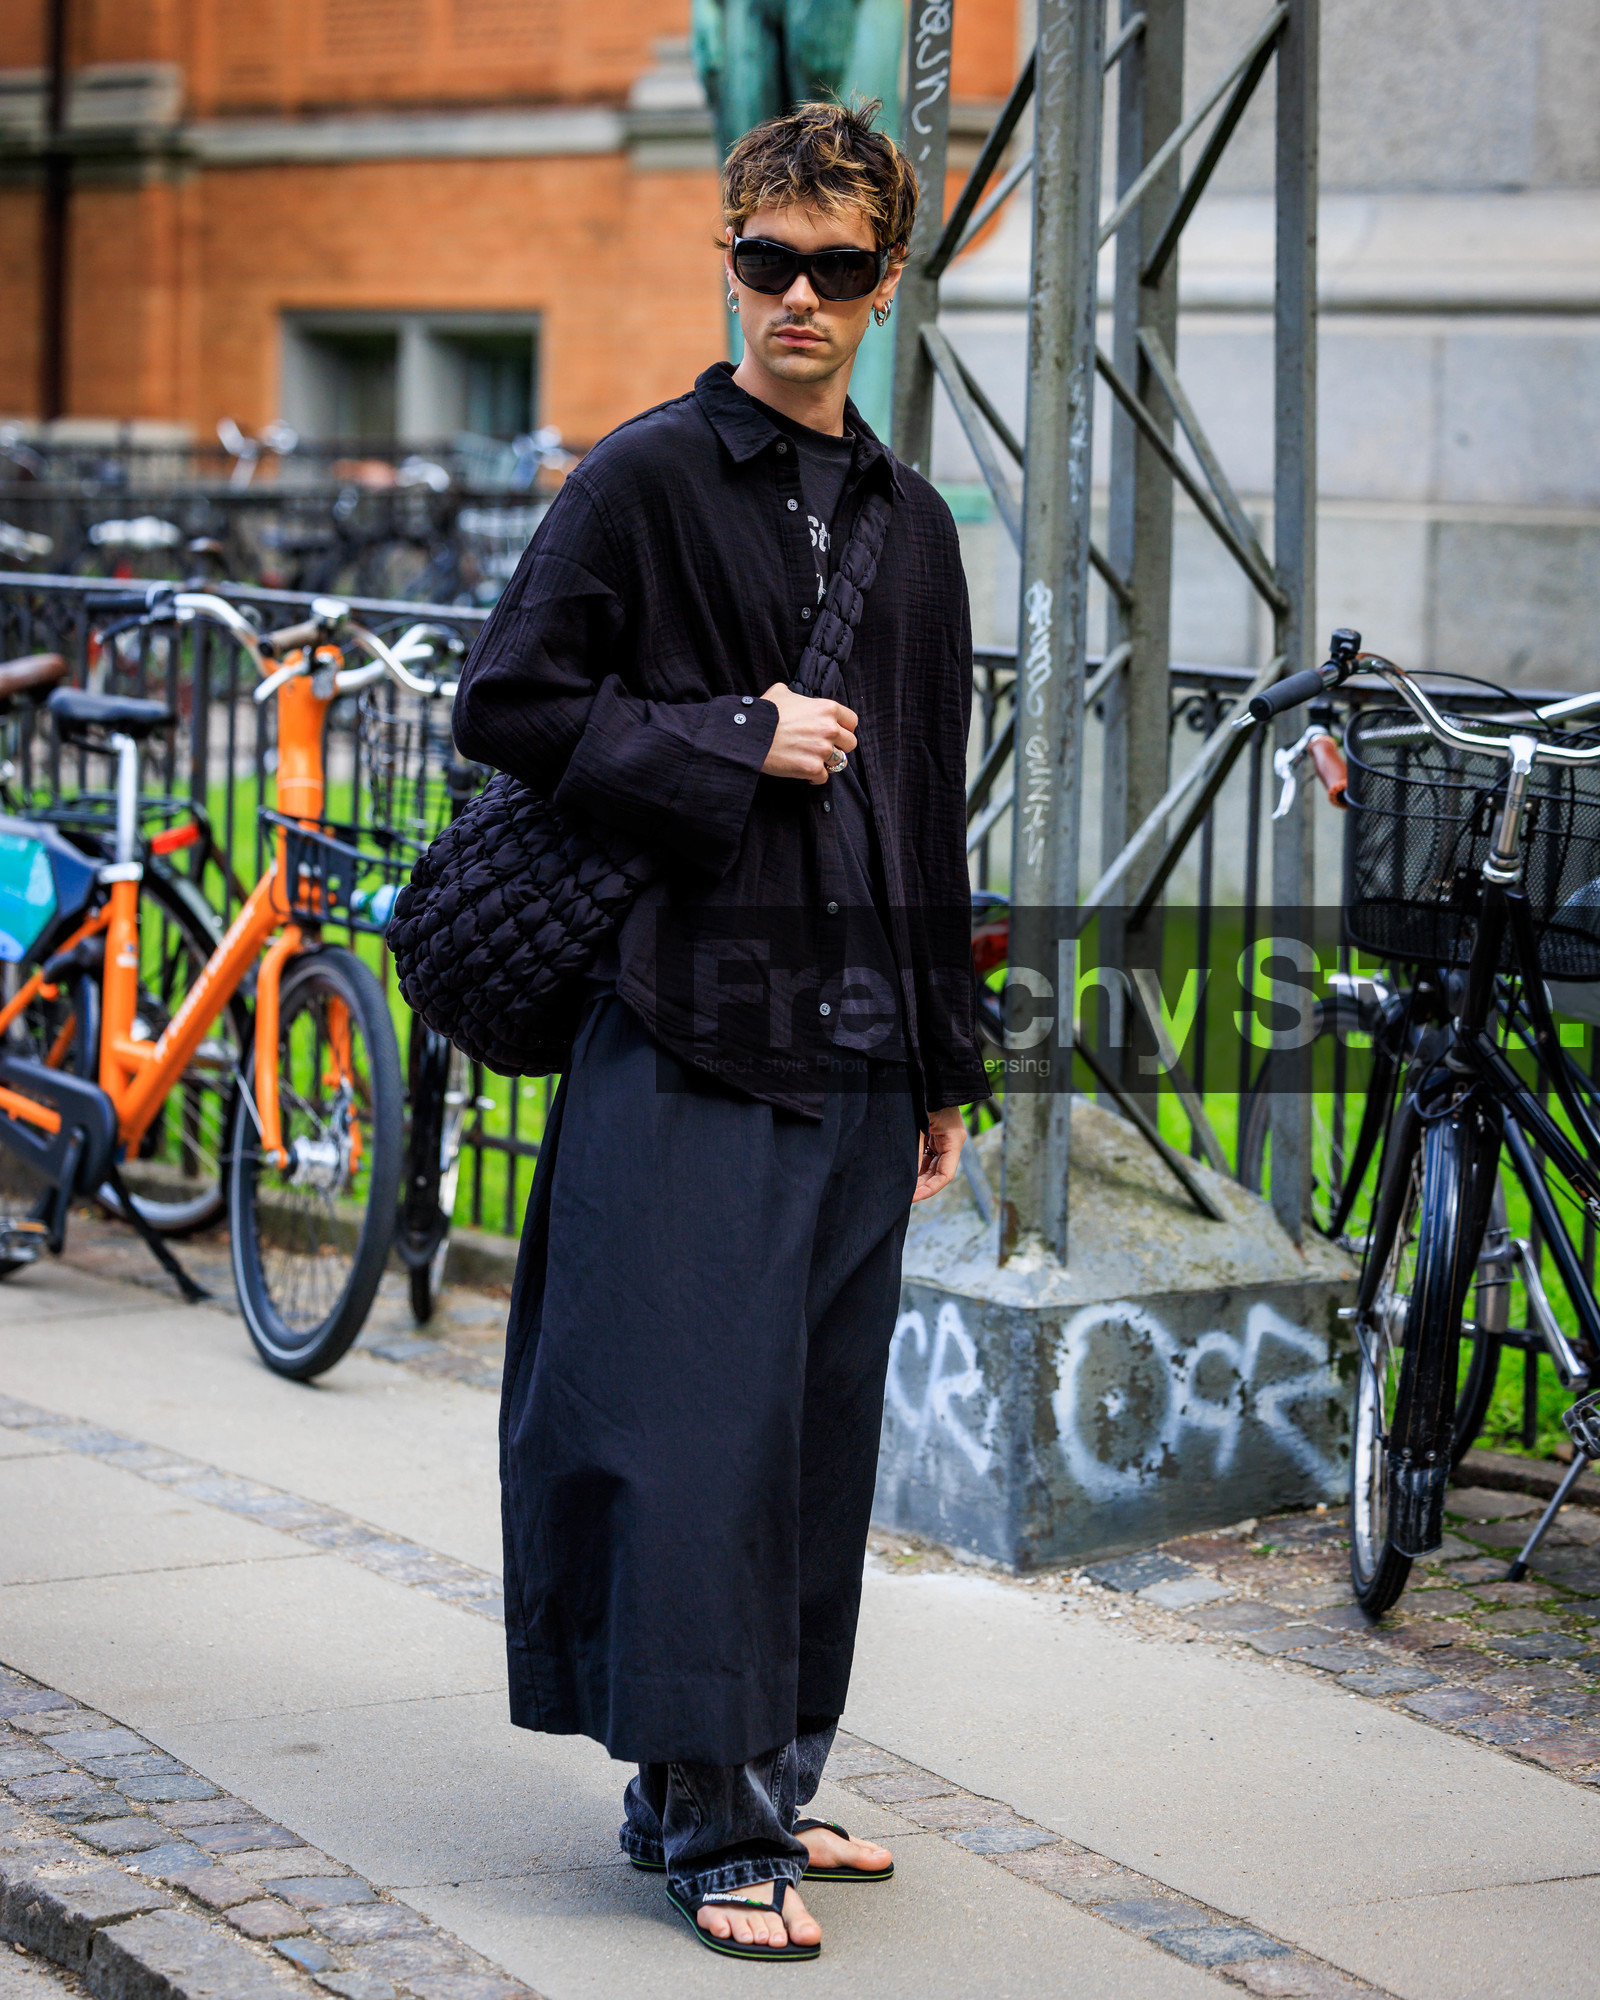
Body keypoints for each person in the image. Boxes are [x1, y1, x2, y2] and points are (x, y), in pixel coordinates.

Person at [451, 97, 988, 1962]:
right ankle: (701, 1826)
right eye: (771, 262)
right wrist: (722, 738)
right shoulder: (646, 477)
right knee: (689, 1437)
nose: (803, 300)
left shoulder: (914, 532)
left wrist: (946, 1063)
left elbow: (933, 803)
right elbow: (506, 703)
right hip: (682, 1029)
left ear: (886, 282)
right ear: (732, 255)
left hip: (850, 1047)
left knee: (816, 1435)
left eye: (841, 270)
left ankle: (768, 1769)